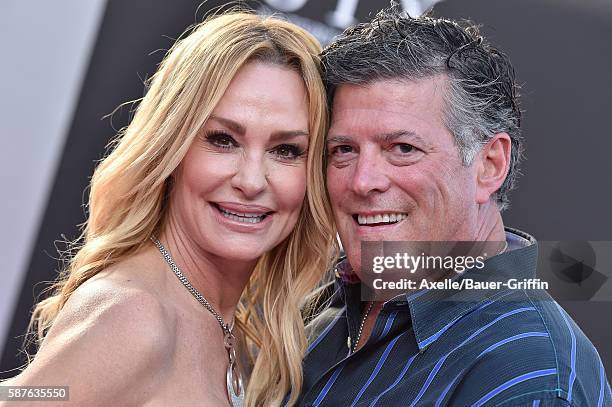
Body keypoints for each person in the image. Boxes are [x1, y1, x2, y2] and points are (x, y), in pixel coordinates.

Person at [1, 11, 338, 407]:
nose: (251, 180)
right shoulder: (134, 316)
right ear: (171, 149)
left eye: (286, 150)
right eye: (223, 139)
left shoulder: (222, 323)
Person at [296, 6, 612, 407]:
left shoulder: (530, 373)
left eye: (403, 149)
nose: (363, 180)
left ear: (489, 165)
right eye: (343, 150)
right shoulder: (322, 309)